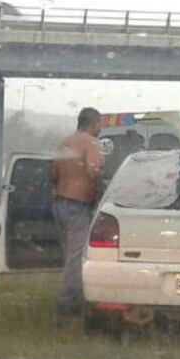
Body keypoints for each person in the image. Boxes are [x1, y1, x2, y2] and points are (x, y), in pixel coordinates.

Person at [51, 107, 105, 321]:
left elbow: (53, 172)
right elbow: (94, 170)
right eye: (99, 124)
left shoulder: (65, 142)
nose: (100, 129)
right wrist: (99, 189)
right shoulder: (91, 143)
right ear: (93, 124)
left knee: (69, 256)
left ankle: (73, 297)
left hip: (58, 203)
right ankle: (69, 303)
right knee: (77, 257)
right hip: (77, 205)